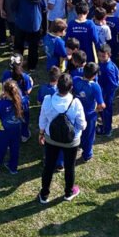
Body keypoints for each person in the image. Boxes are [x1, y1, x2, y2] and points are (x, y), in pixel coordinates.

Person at [37, 72, 86, 203]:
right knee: (69, 167)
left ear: (57, 86)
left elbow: (42, 120)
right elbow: (82, 124)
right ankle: (69, 192)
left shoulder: (47, 100)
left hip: (51, 139)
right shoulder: (76, 103)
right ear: (71, 88)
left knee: (48, 166)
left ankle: (44, 194)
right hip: (71, 142)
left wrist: (41, 134)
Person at [13, 0, 47, 71]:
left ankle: (16, 65)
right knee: (33, 47)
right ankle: (32, 66)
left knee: (18, 46)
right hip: (35, 25)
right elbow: (44, 9)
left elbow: (14, 7)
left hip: (21, 24)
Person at [73, 62, 105, 162]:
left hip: (76, 112)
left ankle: (78, 145)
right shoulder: (95, 87)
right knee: (89, 135)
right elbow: (102, 105)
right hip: (89, 115)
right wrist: (97, 110)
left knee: (77, 130)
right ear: (94, 75)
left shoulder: (75, 79)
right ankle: (87, 154)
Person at [97, 45, 119, 137]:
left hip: (107, 93)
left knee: (106, 110)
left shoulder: (108, 68)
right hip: (103, 90)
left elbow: (113, 84)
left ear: (109, 55)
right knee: (102, 110)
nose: (100, 58)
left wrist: (104, 95)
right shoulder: (103, 63)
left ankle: (107, 130)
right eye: (99, 55)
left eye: (103, 56)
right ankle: (104, 123)